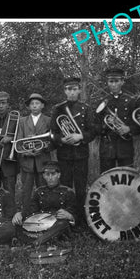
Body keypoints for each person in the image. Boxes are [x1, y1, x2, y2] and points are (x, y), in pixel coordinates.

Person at [50, 76, 98, 228]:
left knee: (80, 187)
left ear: (79, 90)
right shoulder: (58, 109)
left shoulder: (86, 108)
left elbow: (93, 131)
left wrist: (80, 136)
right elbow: (52, 133)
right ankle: (65, 220)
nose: (71, 92)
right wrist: (61, 140)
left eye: (74, 89)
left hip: (81, 155)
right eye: (68, 89)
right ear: (65, 91)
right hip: (64, 154)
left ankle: (81, 220)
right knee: (65, 187)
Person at [12, 161, 77, 246]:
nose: (50, 177)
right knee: (18, 224)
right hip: (42, 224)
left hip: (59, 225)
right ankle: (43, 240)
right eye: (47, 174)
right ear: (43, 176)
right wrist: (20, 214)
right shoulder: (39, 192)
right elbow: (32, 210)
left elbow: (76, 214)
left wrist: (70, 216)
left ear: (59, 175)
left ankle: (34, 244)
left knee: (63, 224)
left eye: (53, 174)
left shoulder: (68, 192)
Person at [95, 67, 140, 173]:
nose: (113, 84)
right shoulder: (102, 102)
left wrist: (129, 129)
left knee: (127, 180)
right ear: (107, 83)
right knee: (106, 180)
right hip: (107, 149)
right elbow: (94, 126)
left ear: (122, 82)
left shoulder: (131, 101)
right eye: (111, 81)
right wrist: (105, 126)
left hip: (125, 149)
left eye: (116, 81)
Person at [17, 93, 54, 215]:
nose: (34, 106)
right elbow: (19, 141)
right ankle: (25, 214)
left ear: (42, 105)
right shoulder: (22, 121)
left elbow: (51, 140)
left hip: (42, 160)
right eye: (32, 104)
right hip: (27, 161)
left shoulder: (48, 120)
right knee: (26, 191)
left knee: (43, 189)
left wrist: (43, 148)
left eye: (37, 103)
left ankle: (44, 214)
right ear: (28, 107)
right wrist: (26, 151)